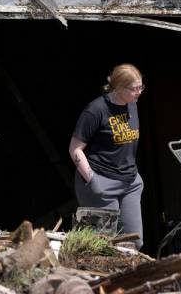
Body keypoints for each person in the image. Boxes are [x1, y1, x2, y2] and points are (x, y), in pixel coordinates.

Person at [68, 63, 145, 249]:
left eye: (141, 86)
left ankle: (129, 277)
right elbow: (75, 149)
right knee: (105, 245)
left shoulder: (132, 105)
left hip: (129, 183)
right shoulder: (96, 110)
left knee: (133, 243)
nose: (139, 92)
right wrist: (92, 180)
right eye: (134, 88)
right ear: (119, 88)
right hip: (102, 182)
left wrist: (135, 177)